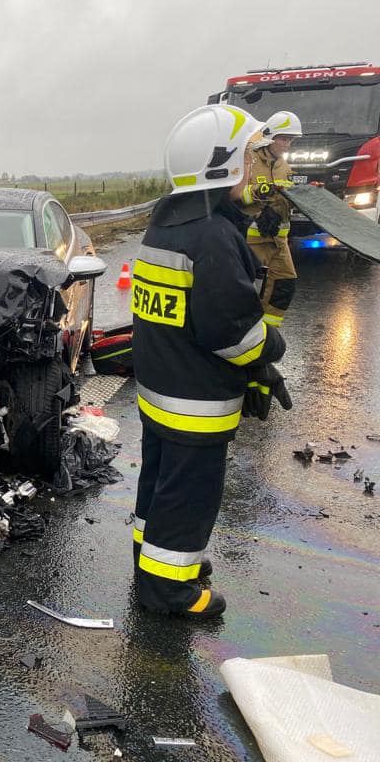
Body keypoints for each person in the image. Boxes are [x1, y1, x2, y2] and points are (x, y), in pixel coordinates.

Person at [130, 104, 291, 618]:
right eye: (250, 157)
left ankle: (152, 561)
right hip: (195, 400)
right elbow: (232, 333)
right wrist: (270, 352)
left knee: (158, 483)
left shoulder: (167, 224)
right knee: (190, 494)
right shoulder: (212, 238)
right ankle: (169, 591)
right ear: (221, 166)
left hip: (159, 389)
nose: (257, 167)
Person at [241, 110, 302, 327]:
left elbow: (288, 193)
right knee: (244, 287)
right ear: (270, 137)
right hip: (254, 238)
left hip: (279, 238)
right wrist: (262, 191)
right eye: (284, 139)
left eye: (291, 140)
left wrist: (305, 194)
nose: (287, 145)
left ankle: (267, 331)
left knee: (285, 284)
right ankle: (242, 332)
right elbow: (237, 195)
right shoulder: (249, 159)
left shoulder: (284, 165)